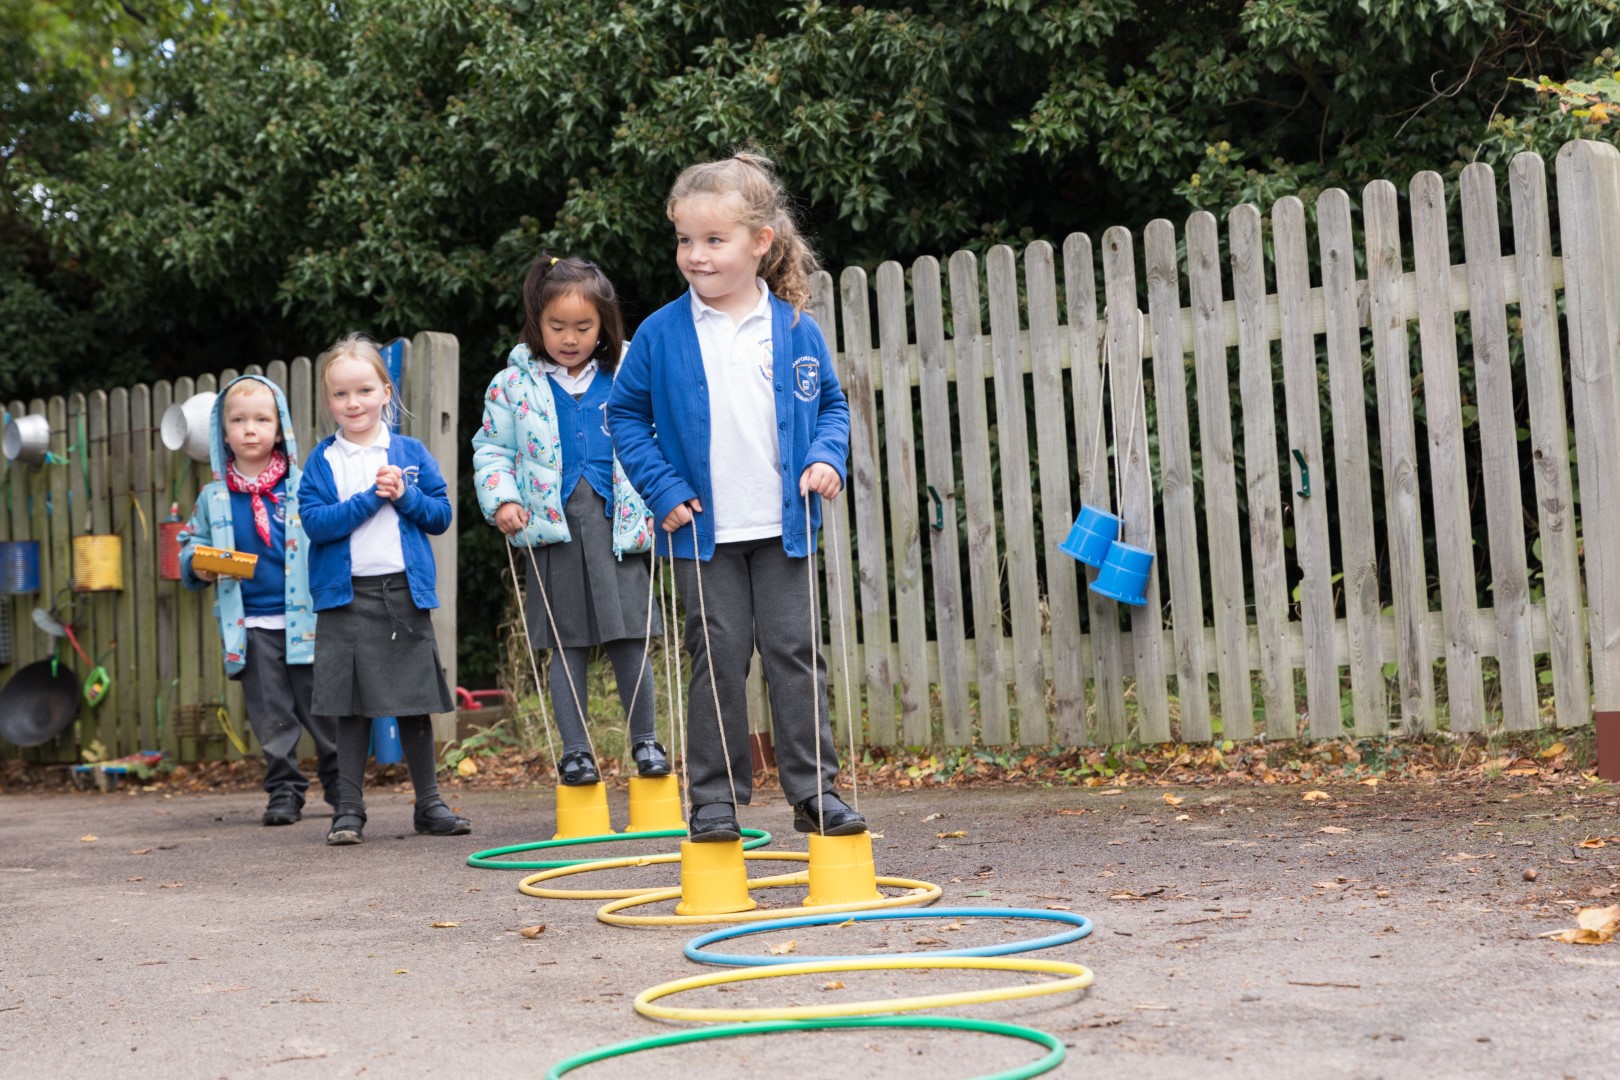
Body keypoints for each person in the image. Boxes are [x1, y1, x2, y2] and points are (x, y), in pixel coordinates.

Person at [606, 150, 864, 842]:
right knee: (715, 656)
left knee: (794, 655)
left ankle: (816, 793)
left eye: (713, 240)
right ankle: (715, 801)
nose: (695, 255)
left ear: (759, 244)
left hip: (784, 531)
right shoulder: (660, 334)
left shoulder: (794, 329)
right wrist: (661, 488)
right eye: (685, 240)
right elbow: (625, 417)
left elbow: (833, 408)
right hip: (701, 534)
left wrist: (824, 459)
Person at [472, 254, 664, 786]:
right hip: (552, 531)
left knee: (630, 639)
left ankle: (646, 741)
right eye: (557, 326)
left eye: (584, 326)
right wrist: (503, 499)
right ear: (537, 323)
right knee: (567, 644)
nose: (570, 337)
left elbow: (659, 435)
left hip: (618, 527)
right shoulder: (511, 385)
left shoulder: (631, 370)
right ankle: (576, 753)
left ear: (605, 323)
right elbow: (491, 450)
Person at [297, 333, 468, 845]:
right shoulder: (323, 461)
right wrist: (372, 499)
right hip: (345, 598)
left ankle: (430, 805)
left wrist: (406, 495)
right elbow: (317, 523)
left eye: (364, 391)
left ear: (386, 392)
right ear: (329, 402)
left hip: (403, 596)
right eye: (341, 395)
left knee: (414, 703)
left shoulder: (410, 453)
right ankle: (348, 811)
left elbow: (440, 516)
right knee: (351, 709)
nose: (353, 403)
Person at [179, 375, 338, 827]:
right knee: (272, 718)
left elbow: (331, 538)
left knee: (323, 710)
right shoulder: (213, 497)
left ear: (280, 427)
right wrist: (197, 563)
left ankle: (342, 787)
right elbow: (189, 545)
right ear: (222, 432)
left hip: (307, 621)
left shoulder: (303, 488)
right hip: (249, 626)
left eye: (261, 419)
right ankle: (284, 792)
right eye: (238, 420)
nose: (250, 429)